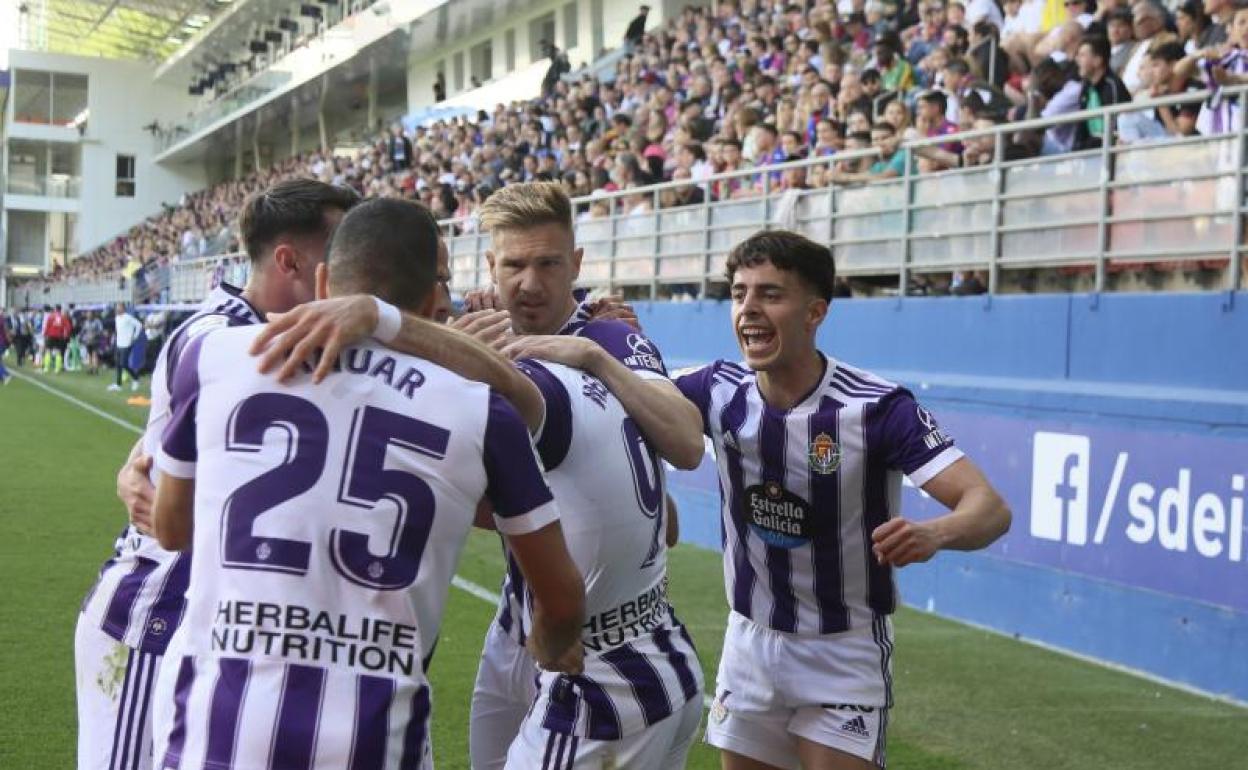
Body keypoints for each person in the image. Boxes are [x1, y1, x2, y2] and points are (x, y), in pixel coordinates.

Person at [246, 182, 706, 770]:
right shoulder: (478, 330)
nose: (530, 283)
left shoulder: (608, 337)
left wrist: (593, 359)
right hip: (521, 618)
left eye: (548, 264)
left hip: (596, 641)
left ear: (577, 265)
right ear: (490, 266)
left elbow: (687, 447)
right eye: (514, 265)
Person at [149, 197, 587, 769]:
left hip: (216, 734)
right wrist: (551, 646)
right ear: (436, 301)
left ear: (325, 278)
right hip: (374, 743)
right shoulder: (481, 412)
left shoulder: (214, 355)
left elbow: (171, 528)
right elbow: (562, 601)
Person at [673, 230, 1011, 770]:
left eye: (770, 295)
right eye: (739, 294)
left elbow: (988, 507)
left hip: (842, 650)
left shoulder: (876, 408)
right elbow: (630, 404)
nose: (749, 310)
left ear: (815, 313)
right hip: (750, 642)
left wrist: (934, 533)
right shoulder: (714, 389)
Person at [78, 179, 361, 770]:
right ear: (289, 261)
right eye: (342, 256)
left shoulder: (259, 328)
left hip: (214, 628)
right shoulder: (221, 338)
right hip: (154, 616)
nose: (356, 277)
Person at [108, 303, 144, 391]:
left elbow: (139, 325)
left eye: (119, 307)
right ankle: (118, 384)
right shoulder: (117, 318)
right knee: (118, 365)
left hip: (127, 344)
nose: (117, 309)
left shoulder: (128, 317)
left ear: (123, 308)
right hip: (119, 344)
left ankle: (136, 379)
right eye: (116, 307)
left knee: (124, 364)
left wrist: (134, 336)